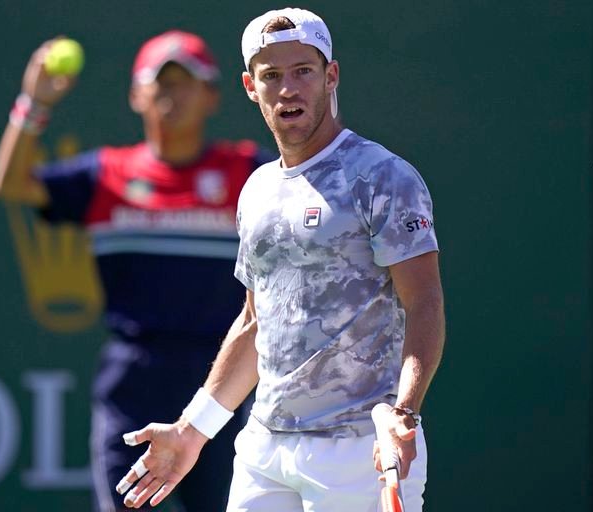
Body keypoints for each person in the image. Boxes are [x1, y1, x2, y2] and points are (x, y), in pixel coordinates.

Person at [115, 7, 446, 512]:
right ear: (251, 86)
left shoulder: (384, 178)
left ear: (330, 76)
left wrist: (404, 413)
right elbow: (255, 322)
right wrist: (192, 430)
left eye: (303, 71)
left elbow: (424, 302)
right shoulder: (257, 190)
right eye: (272, 76)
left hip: (359, 449)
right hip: (264, 449)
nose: (288, 89)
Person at [0, 30, 273, 511]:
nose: (171, 93)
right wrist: (33, 104)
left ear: (211, 96)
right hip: (133, 385)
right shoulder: (106, 174)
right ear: (136, 95)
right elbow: (11, 184)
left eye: (186, 81)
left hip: (225, 381)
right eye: (160, 82)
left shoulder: (249, 172)